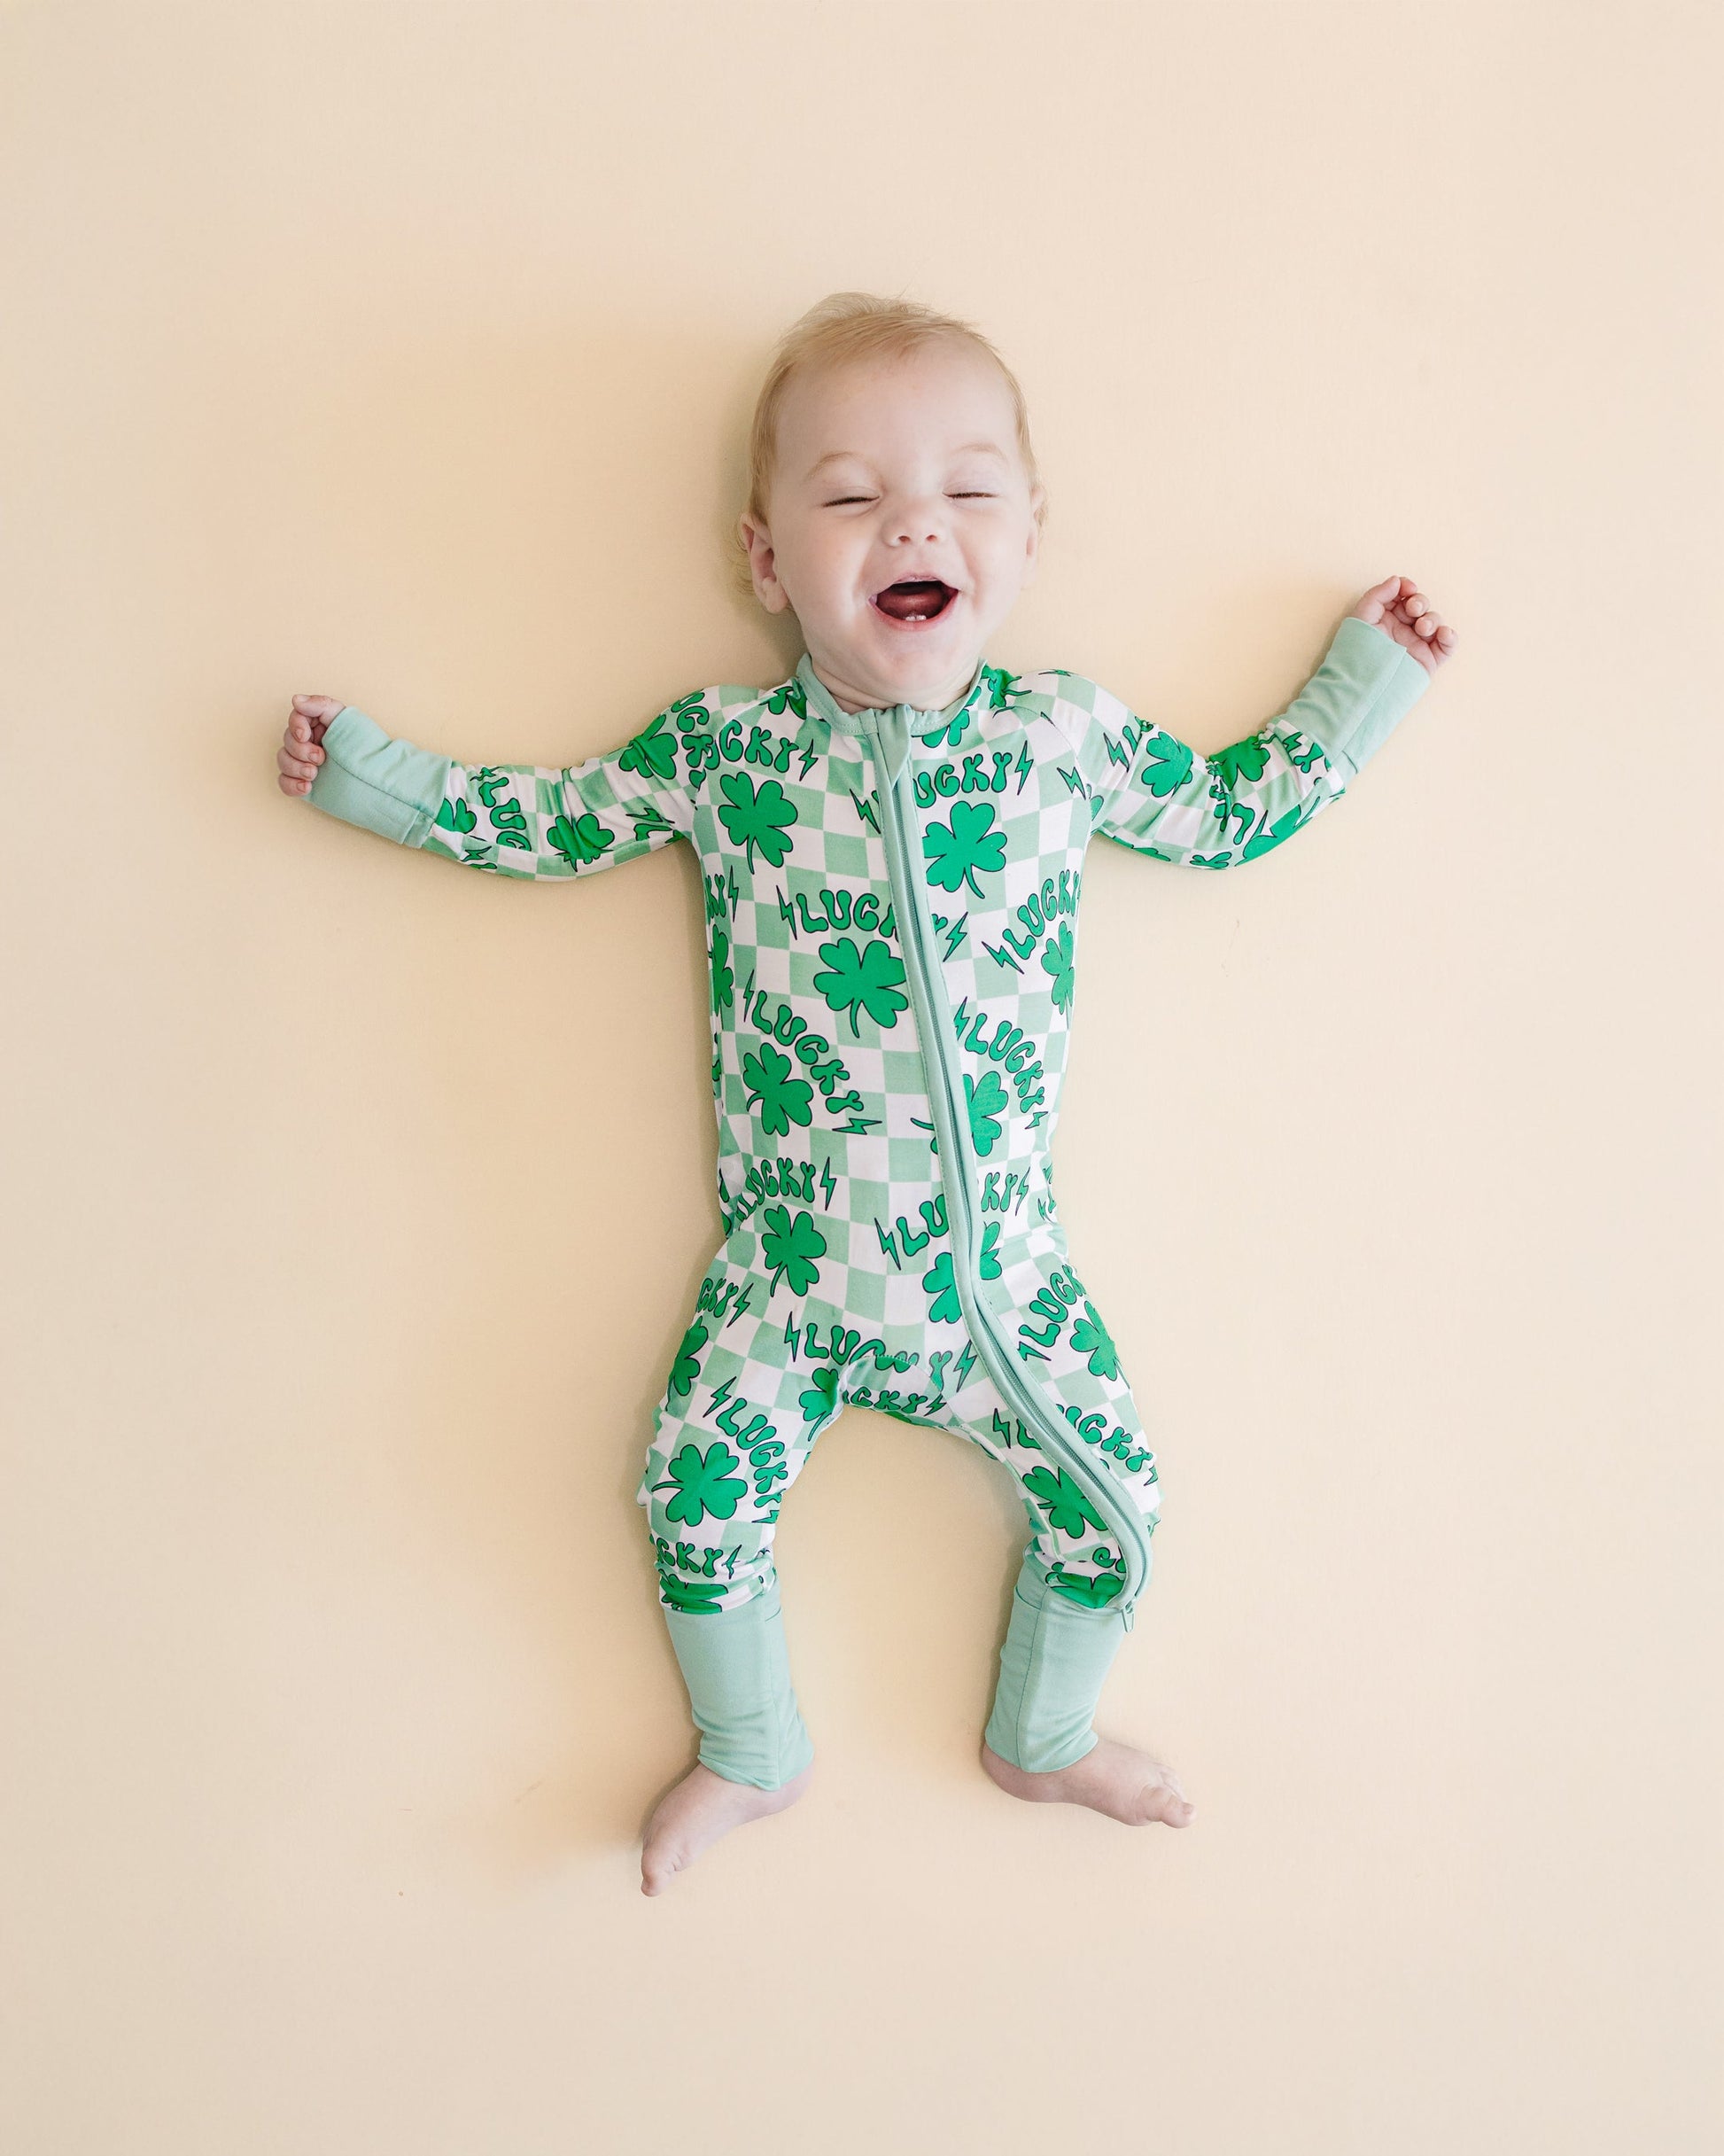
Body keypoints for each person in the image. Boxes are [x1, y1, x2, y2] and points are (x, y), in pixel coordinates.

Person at [275, 291, 1456, 1895]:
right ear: (767, 560)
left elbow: (1231, 816)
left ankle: (1040, 1734)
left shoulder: (1062, 737)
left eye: (967, 489)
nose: (914, 521)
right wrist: (370, 773)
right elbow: (549, 821)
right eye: (851, 495)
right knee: (689, 1500)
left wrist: (1364, 678)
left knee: (1121, 1509)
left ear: (1028, 539)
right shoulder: (725, 751)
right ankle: (749, 1749)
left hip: (1002, 1280)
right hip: (787, 1275)